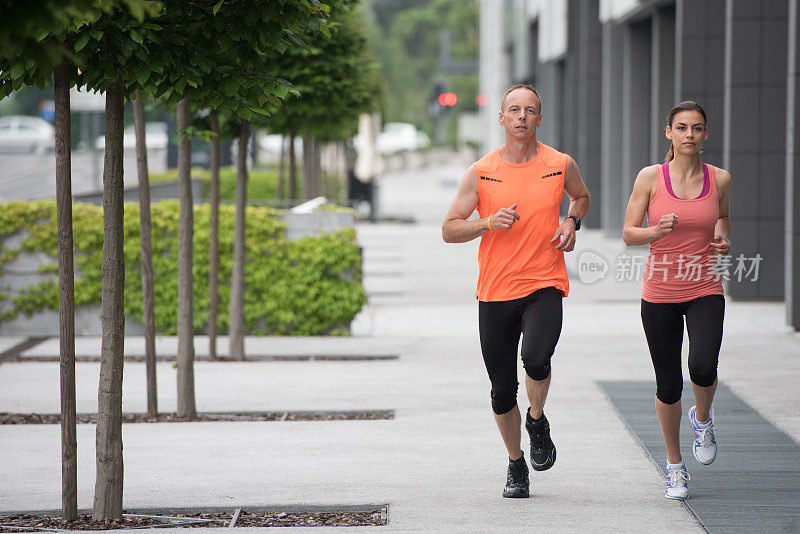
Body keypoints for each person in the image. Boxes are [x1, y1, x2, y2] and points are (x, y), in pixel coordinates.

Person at [442, 84, 590, 498]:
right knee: (501, 389)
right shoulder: (481, 170)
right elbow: (449, 229)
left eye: (530, 110)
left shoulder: (560, 163)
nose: (522, 116)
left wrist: (571, 222)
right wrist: (487, 222)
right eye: (514, 109)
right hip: (495, 292)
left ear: (540, 119)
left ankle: (537, 419)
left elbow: (581, 196)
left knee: (537, 357)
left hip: (544, 283)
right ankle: (515, 463)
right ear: (502, 118)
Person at [622, 101, 732, 500]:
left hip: (704, 286)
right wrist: (654, 231)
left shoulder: (719, 179)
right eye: (682, 127)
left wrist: (723, 239)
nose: (689, 135)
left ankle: (703, 418)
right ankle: (674, 466)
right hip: (660, 292)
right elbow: (628, 232)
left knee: (702, 367)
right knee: (668, 384)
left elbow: (722, 219)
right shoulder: (650, 177)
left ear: (705, 135)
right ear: (668, 132)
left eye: (697, 128)